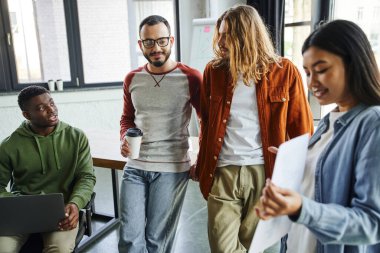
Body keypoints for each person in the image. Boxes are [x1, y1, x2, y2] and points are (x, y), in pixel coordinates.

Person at [191, 5, 314, 253]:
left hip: (265, 172)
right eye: (220, 34)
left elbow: (303, 130)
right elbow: (206, 122)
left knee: (255, 246)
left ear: (247, 35)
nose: (220, 41)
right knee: (223, 247)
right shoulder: (213, 72)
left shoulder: (284, 71)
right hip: (222, 170)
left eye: (228, 35)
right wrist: (201, 161)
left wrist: (300, 174)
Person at [256, 20, 380, 253]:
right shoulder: (328, 121)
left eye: (321, 70)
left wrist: (300, 208)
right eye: (307, 72)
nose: (312, 83)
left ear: (353, 63)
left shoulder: (373, 123)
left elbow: (371, 223)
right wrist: (292, 163)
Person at [118, 15, 201, 253]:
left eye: (162, 41)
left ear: (171, 40)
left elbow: (205, 120)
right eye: (149, 42)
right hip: (135, 166)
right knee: (129, 239)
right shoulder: (132, 78)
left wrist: (200, 157)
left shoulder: (191, 77)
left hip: (171, 168)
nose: (156, 48)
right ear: (140, 44)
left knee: (156, 240)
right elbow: (127, 119)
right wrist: (124, 137)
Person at [0, 85, 96, 253]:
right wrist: (14, 204)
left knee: (59, 249)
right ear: (27, 115)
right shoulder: (10, 145)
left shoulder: (76, 137)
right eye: (41, 108)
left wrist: (75, 203)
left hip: (62, 212)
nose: (51, 110)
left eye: (51, 103)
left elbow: (86, 177)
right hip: (22, 213)